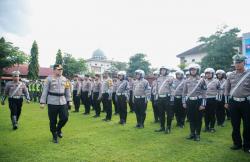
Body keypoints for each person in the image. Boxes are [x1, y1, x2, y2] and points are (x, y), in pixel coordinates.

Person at [40, 64, 72, 143]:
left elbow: (67, 91)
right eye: (59, 69)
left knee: (65, 118)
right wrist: (42, 102)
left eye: (61, 69)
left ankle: (58, 129)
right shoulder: (48, 79)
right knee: (53, 120)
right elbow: (45, 91)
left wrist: (70, 100)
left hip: (63, 101)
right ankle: (54, 135)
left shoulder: (65, 79)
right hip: (52, 102)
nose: (60, 70)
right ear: (54, 70)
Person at [224, 54, 250, 153]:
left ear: (244, 63)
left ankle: (247, 145)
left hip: (246, 103)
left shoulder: (249, 74)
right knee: (235, 125)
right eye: (236, 62)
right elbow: (227, 89)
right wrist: (226, 102)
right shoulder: (230, 75)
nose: (237, 64)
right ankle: (237, 143)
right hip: (233, 103)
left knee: (248, 125)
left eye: (239, 62)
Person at [182, 63, 206, 141]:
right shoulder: (186, 80)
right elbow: (184, 92)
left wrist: (203, 104)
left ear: (197, 70)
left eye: (194, 70)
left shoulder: (202, 80)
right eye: (191, 70)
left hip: (198, 101)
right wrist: (184, 102)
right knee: (191, 118)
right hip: (189, 101)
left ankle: (198, 134)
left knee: (198, 119)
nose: (192, 71)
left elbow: (204, 93)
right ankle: (192, 133)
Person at [155, 66, 174, 134]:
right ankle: (162, 127)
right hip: (160, 98)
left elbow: (172, 89)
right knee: (161, 113)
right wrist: (156, 98)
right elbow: (156, 89)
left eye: (164, 70)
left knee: (169, 114)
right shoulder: (158, 78)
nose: (162, 71)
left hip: (167, 98)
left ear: (167, 71)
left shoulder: (170, 78)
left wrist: (172, 99)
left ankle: (168, 128)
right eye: (161, 70)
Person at [203, 68, 220, 133]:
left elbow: (220, 90)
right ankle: (206, 126)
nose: (208, 75)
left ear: (212, 74)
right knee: (206, 114)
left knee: (212, 114)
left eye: (209, 73)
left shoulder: (216, 81)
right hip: (205, 99)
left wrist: (219, 98)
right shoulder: (203, 81)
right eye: (206, 73)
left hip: (213, 99)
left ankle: (212, 127)